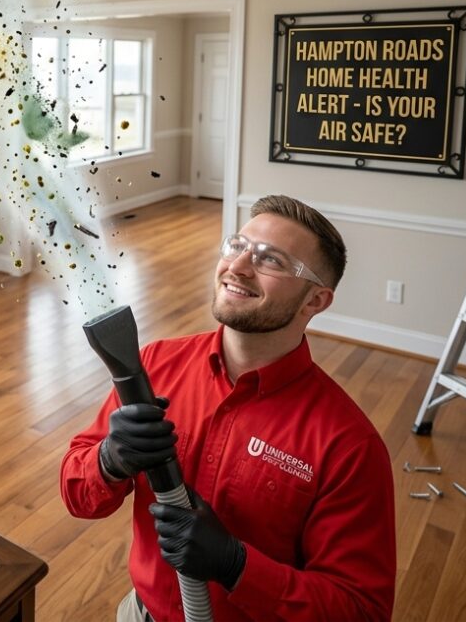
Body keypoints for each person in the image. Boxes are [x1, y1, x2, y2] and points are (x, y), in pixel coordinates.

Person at [60, 194, 395, 622]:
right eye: (237, 246)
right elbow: (78, 497)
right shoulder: (158, 365)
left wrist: (239, 567)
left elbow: (361, 611)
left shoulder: (348, 444)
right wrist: (108, 460)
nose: (236, 267)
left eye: (271, 260)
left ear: (315, 301)